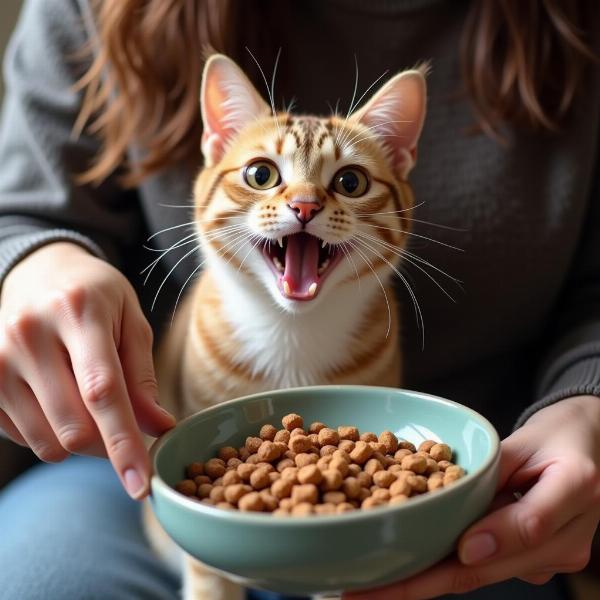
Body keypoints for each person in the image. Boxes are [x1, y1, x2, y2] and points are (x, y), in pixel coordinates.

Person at [0, 1, 599, 599]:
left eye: (350, 182)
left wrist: (588, 403)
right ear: (217, 146)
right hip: (126, 477)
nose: (305, 202)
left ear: (401, 159)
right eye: (263, 175)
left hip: (471, 467)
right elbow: (21, 211)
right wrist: (34, 264)